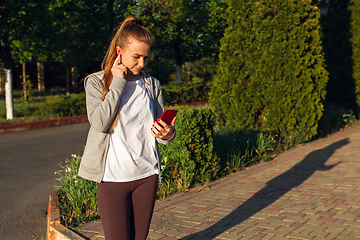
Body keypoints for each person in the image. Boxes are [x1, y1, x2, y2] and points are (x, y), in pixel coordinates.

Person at [78, 16, 176, 240]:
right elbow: (100, 123)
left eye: (146, 57)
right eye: (136, 57)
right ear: (120, 52)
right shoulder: (96, 83)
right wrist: (119, 82)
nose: (142, 63)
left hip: (146, 176)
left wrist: (167, 134)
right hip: (112, 178)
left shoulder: (152, 85)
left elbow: (160, 130)